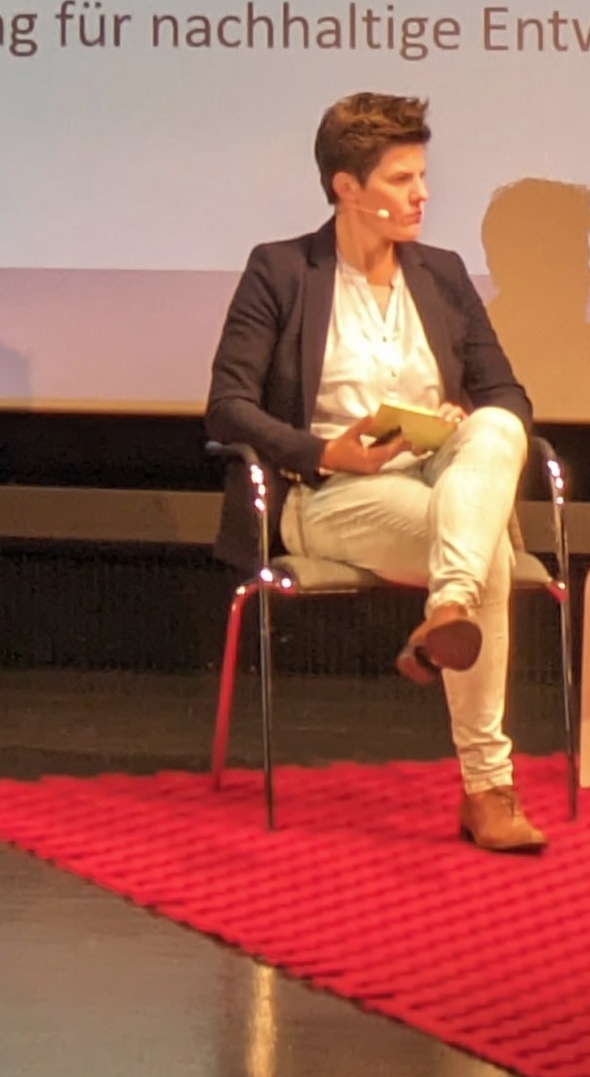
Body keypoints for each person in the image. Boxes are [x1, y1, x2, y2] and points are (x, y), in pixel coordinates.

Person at [205, 91, 548, 855]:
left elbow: (509, 397)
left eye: (422, 174)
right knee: (485, 550)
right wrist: (329, 451)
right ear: (346, 186)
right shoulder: (282, 271)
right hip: (331, 493)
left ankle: (448, 605)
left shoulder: (443, 274)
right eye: (401, 179)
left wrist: (455, 421)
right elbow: (227, 408)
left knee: (496, 425)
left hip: (444, 479)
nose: (422, 193)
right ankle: (487, 788)